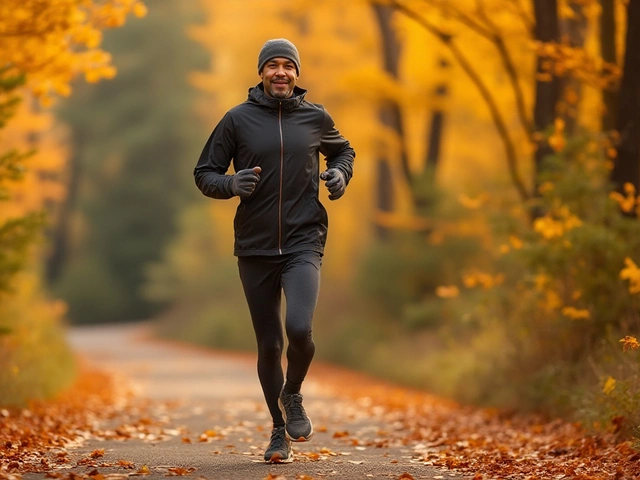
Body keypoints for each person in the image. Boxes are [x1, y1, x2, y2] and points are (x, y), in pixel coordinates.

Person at [193, 38, 355, 464]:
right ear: (261, 72)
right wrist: (231, 184)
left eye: (288, 66)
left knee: (300, 329)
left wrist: (339, 173)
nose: (280, 72)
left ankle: (293, 393)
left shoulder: (315, 117)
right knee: (269, 345)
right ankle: (278, 431)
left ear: (297, 73)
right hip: (255, 247)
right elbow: (204, 172)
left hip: (304, 240)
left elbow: (344, 151)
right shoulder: (237, 120)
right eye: (272, 66)